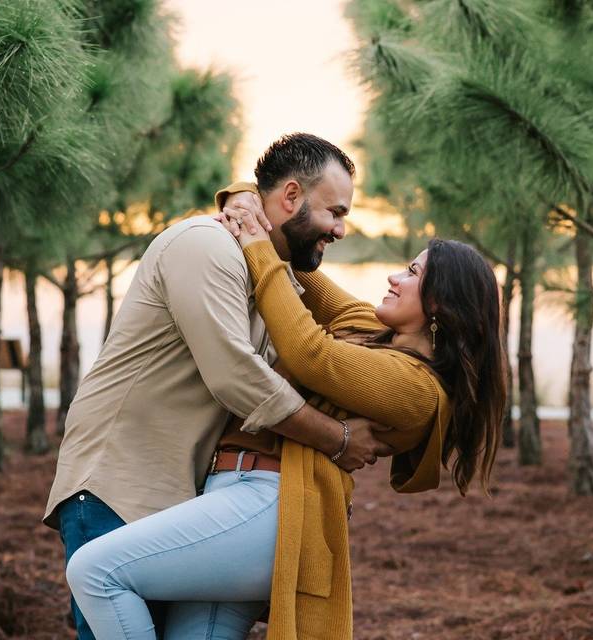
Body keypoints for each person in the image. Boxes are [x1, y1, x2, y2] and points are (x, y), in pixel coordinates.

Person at [65, 181, 507, 638]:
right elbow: (296, 267)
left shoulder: (418, 390)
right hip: (229, 500)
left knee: (96, 572)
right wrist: (244, 200)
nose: (394, 278)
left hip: (269, 506)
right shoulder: (367, 326)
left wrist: (255, 238)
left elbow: (307, 352)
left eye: (413, 273)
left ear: (440, 303)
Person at [43, 133, 393, 640]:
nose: (340, 229)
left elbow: (330, 340)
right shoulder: (204, 246)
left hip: (178, 496)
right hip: (118, 485)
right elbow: (237, 376)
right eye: (334, 212)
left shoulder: (272, 276)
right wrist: (336, 439)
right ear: (291, 197)